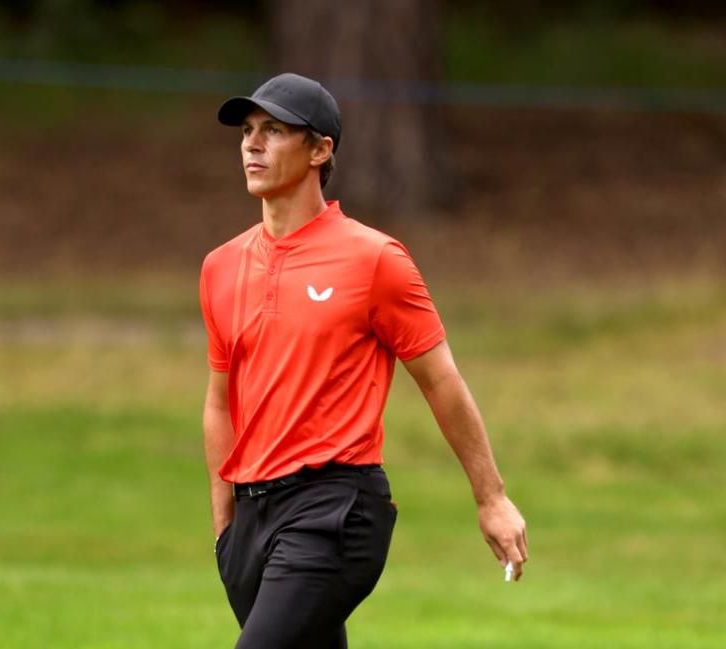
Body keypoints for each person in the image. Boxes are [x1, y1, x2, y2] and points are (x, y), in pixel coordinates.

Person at [199, 72, 527, 649]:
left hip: (333, 509)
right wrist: (225, 524)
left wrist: (491, 497)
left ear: (321, 150)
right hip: (251, 522)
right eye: (248, 131)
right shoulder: (220, 267)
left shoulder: (374, 259)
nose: (253, 144)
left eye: (274, 130)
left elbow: (441, 381)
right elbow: (219, 400)